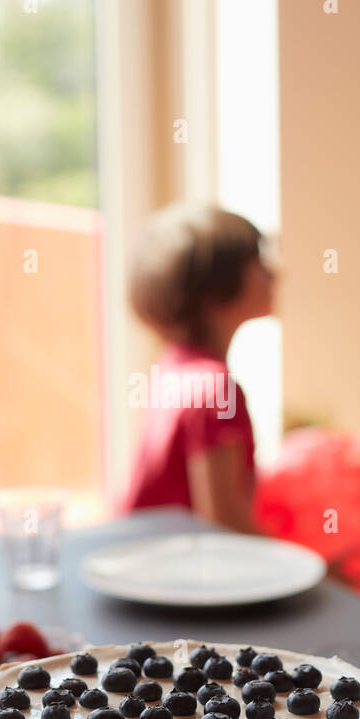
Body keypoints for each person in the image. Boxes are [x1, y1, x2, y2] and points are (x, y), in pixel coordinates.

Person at [122, 203, 275, 532]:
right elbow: (222, 525)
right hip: (171, 570)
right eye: (259, 262)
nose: (275, 273)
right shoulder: (215, 387)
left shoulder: (176, 365)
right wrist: (308, 566)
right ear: (218, 290)